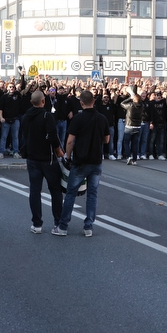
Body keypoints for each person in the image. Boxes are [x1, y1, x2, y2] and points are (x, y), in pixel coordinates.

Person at [52, 90, 110, 237]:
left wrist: (68, 156)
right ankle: (88, 226)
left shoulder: (78, 119)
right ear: (94, 101)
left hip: (80, 161)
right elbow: (107, 139)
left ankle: (63, 226)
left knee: (71, 193)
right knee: (92, 194)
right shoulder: (102, 118)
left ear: (81, 103)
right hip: (96, 161)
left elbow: (70, 140)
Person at [22, 90, 65, 234]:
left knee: (35, 191)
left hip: (32, 158)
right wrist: (59, 150)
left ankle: (37, 224)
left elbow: (24, 135)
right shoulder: (47, 116)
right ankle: (58, 223)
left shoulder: (26, 117)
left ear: (31, 102)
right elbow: (53, 136)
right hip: (48, 159)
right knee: (55, 191)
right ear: (43, 101)